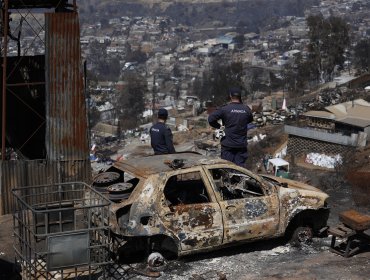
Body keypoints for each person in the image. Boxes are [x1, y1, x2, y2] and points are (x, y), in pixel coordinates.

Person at [208, 87, 253, 167]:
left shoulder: (225, 109)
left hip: (228, 145)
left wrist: (219, 126)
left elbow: (211, 119)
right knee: (240, 170)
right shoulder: (246, 109)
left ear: (230, 96)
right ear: (240, 96)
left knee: (227, 168)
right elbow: (249, 120)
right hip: (241, 145)